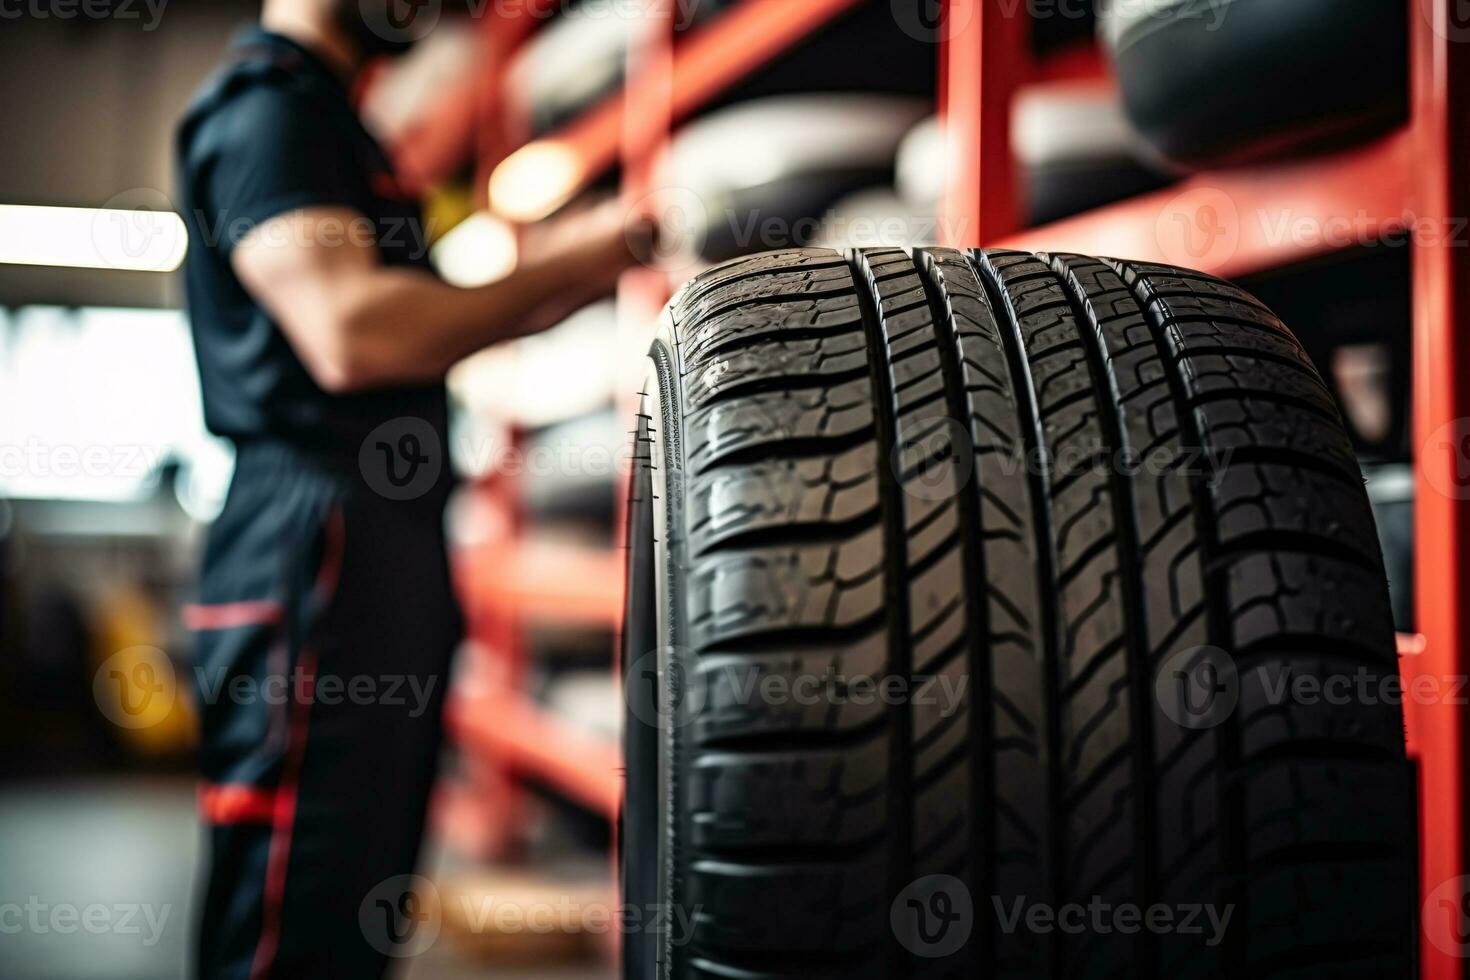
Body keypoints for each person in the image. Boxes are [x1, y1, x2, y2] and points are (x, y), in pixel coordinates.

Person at [174, 2, 647, 976]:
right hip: (314, 537)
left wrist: (578, 268)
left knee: (357, 884)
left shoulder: (336, 124)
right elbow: (355, 333)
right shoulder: (270, 112)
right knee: (291, 902)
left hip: (374, 536)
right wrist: (567, 260)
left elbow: (426, 322)